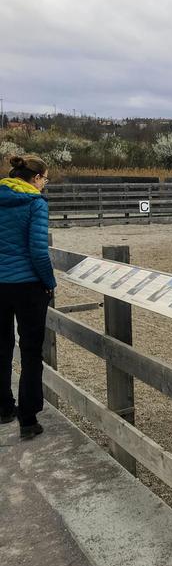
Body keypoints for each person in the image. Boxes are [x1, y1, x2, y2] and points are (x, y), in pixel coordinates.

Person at [0, 155, 56, 440]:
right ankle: (28, 418)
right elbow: (38, 252)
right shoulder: (35, 203)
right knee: (31, 352)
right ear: (35, 178)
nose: (45, 183)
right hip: (27, 286)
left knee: (1, 347)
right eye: (45, 178)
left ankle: (3, 408)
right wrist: (49, 282)